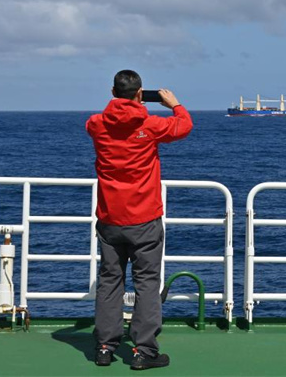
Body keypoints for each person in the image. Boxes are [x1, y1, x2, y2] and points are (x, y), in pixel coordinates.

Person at [86, 70, 193, 370]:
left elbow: (94, 124)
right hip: (145, 219)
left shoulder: (96, 125)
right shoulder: (151, 125)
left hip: (110, 219)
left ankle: (105, 347)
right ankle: (143, 352)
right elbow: (184, 126)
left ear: (112, 91)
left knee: (110, 281)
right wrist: (173, 104)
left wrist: (128, 105)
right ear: (139, 94)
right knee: (146, 283)